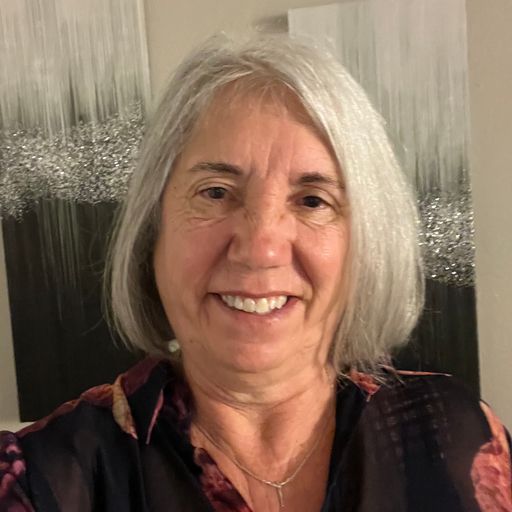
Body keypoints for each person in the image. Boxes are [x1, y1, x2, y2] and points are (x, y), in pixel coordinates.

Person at [1, 34, 510, 512]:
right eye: (216, 192)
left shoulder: (454, 432)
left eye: (313, 200)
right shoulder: (43, 480)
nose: (261, 249)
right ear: (152, 230)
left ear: (365, 244)